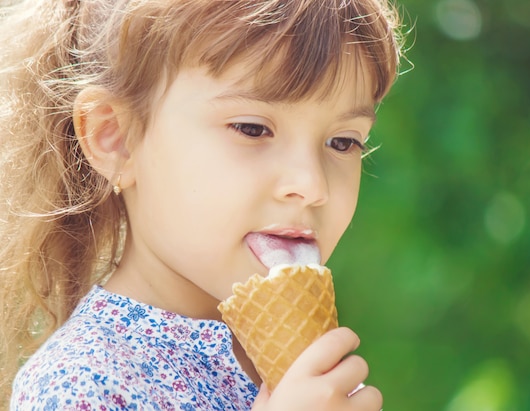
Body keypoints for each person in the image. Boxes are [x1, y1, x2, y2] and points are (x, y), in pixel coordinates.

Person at [0, 0, 404, 409]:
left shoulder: (297, 369)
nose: (312, 185)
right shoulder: (80, 383)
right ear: (115, 138)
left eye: (343, 142)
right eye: (252, 128)